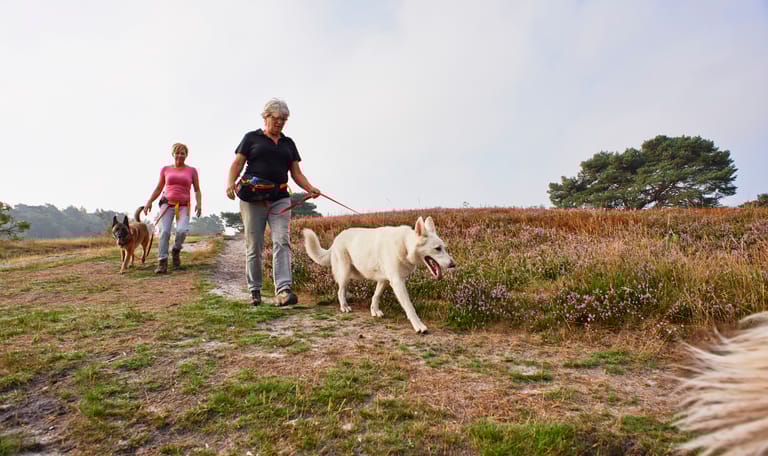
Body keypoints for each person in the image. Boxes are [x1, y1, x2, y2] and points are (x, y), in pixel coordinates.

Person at [226, 98, 321, 307]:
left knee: (282, 241)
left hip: (280, 199)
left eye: (283, 120)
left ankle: (284, 290)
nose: (279, 123)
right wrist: (229, 184)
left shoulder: (289, 144)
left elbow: (296, 173)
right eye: (276, 118)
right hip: (252, 199)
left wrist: (310, 188)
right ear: (266, 117)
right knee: (255, 244)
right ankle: (255, 290)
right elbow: (237, 163)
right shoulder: (251, 138)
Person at [144, 143, 202, 273]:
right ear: (173, 154)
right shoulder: (165, 169)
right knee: (164, 231)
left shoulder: (191, 170)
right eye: (178, 152)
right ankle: (162, 262)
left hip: (183, 206)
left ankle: (176, 249)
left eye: (183, 153)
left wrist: (199, 204)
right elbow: (159, 188)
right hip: (167, 204)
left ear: (186, 155)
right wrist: (149, 202)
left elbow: (197, 190)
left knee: (182, 230)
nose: (180, 155)